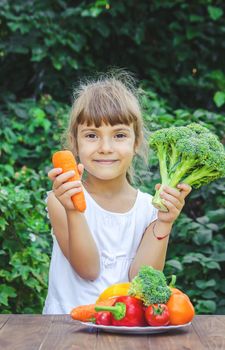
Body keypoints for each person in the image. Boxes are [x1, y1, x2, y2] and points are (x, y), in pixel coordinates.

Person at [43, 71, 191, 314]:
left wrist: (164, 223)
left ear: (135, 142)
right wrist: (74, 210)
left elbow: (141, 280)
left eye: (119, 135)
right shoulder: (60, 200)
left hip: (126, 327)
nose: (105, 148)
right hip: (66, 329)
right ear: (75, 143)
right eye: (91, 135)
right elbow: (88, 270)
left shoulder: (149, 207)